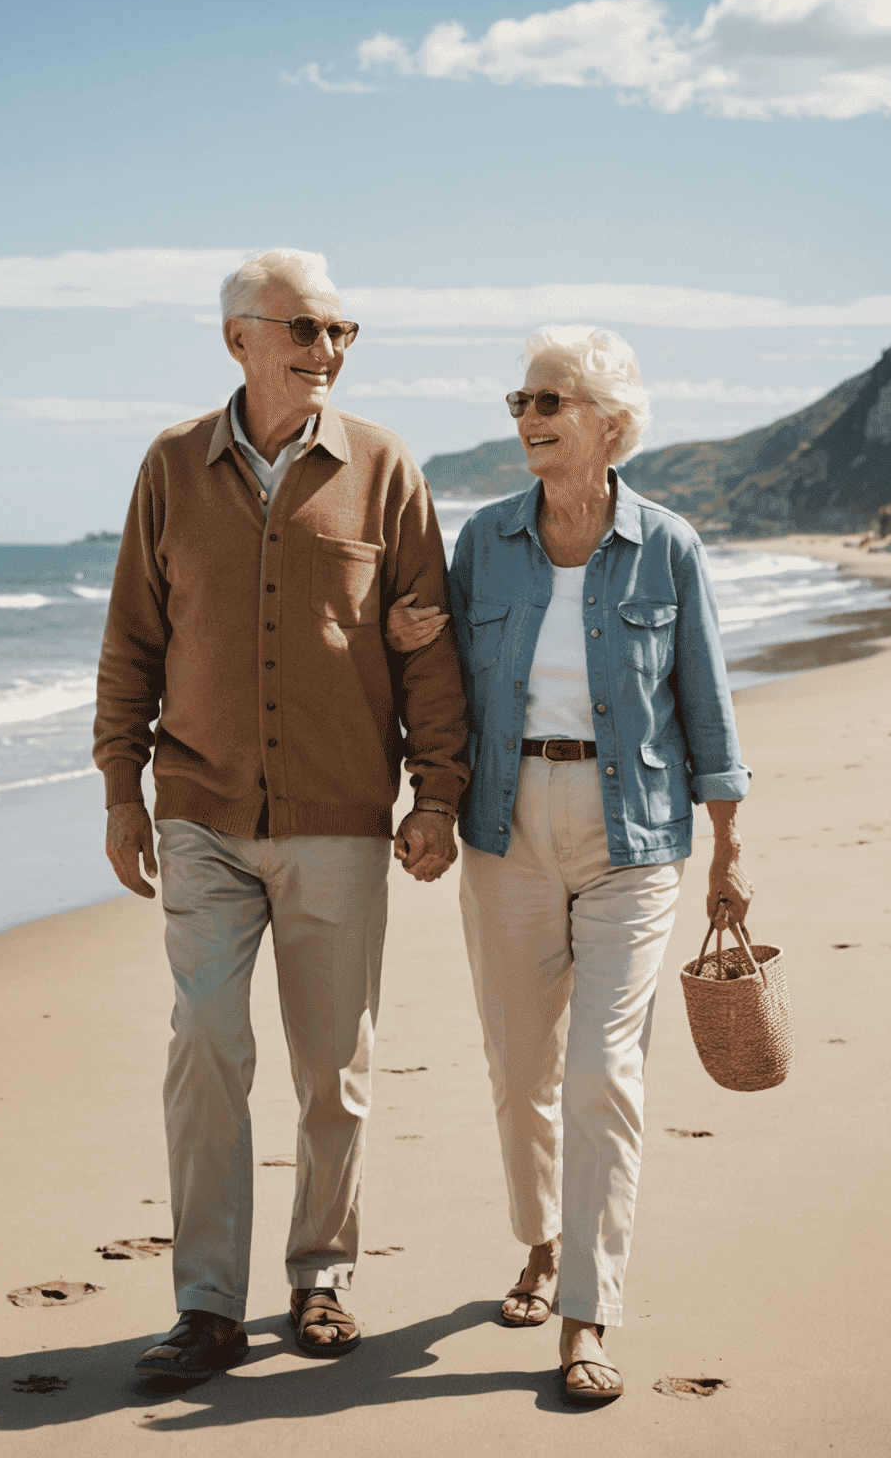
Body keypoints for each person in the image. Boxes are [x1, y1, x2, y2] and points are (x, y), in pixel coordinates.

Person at [93, 248, 468, 1386]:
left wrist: (438, 790)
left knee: (333, 1069)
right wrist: (121, 789)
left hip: (341, 819)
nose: (328, 351)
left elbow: (426, 644)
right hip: (201, 811)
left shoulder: (386, 468)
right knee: (206, 1044)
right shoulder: (168, 467)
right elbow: (131, 644)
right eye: (306, 330)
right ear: (240, 339)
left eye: (344, 332)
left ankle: (321, 1279)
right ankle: (207, 1306)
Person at [389, 325, 752, 1406]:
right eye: (521, 399)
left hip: (632, 832)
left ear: (607, 420)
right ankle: (540, 1241)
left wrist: (731, 855)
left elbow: (710, 709)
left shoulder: (669, 546)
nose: (528, 418)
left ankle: (588, 1310)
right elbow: (443, 685)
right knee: (518, 1074)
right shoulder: (486, 540)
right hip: (505, 829)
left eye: (550, 400)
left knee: (604, 1072)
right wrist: (413, 681)